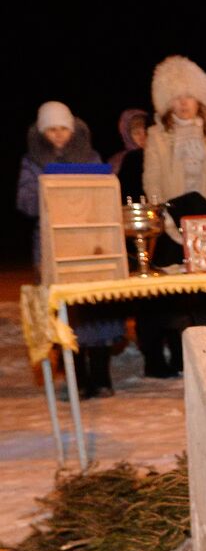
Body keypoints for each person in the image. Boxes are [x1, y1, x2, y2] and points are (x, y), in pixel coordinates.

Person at [17, 102, 122, 400]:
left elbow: (103, 193)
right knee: (67, 313)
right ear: (42, 132)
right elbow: (24, 202)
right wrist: (48, 187)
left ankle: (101, 375)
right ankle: (77, 377)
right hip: (52, 246)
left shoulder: (91, 157)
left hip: (90, 242)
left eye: (63, 128)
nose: (58, 135)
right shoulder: (31, 161)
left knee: (95, 307)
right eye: (51, 129)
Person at [142, 55, 206, 378]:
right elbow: (151, 179)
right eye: (175, 97)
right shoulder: (157, 135)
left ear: (200, 98)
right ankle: (162, 355)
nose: (183, 103)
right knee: (166, 294)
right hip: (171, 216)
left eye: (188, 95)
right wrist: (162, 217)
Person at [110, 108, 150, 198]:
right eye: (137, 133)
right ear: (127, 135)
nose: (142, 137)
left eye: (146, 132)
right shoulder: (117, 161)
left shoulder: (160, 156)